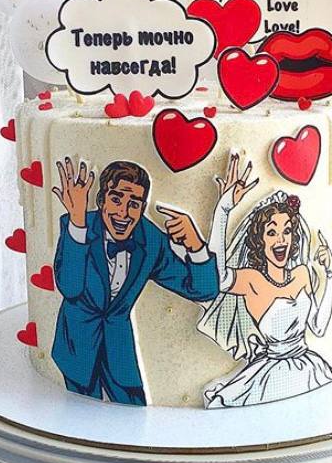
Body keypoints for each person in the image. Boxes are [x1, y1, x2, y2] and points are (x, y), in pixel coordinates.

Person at [51, 158, 219, 405]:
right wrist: (77, 222)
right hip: (77, 344)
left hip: (119, 348)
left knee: (135, 411)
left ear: (142, 208)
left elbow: (204, 290)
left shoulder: (150, 241)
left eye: (134, 204)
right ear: (101, 200)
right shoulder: (77, 225)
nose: (123, 212)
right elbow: (70, 287)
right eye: (116, 199)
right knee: (80, 416)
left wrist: (195, 246)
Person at [198, 154, 332, 408]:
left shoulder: (302, 273)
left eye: (287, 231)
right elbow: (217, 275)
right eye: (271, 232)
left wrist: (330, 274)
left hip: (311, 369)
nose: (281, 240)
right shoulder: (253, 281)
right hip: (272, 376)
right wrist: (223, 209)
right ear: (259, 241)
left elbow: (318, 327)